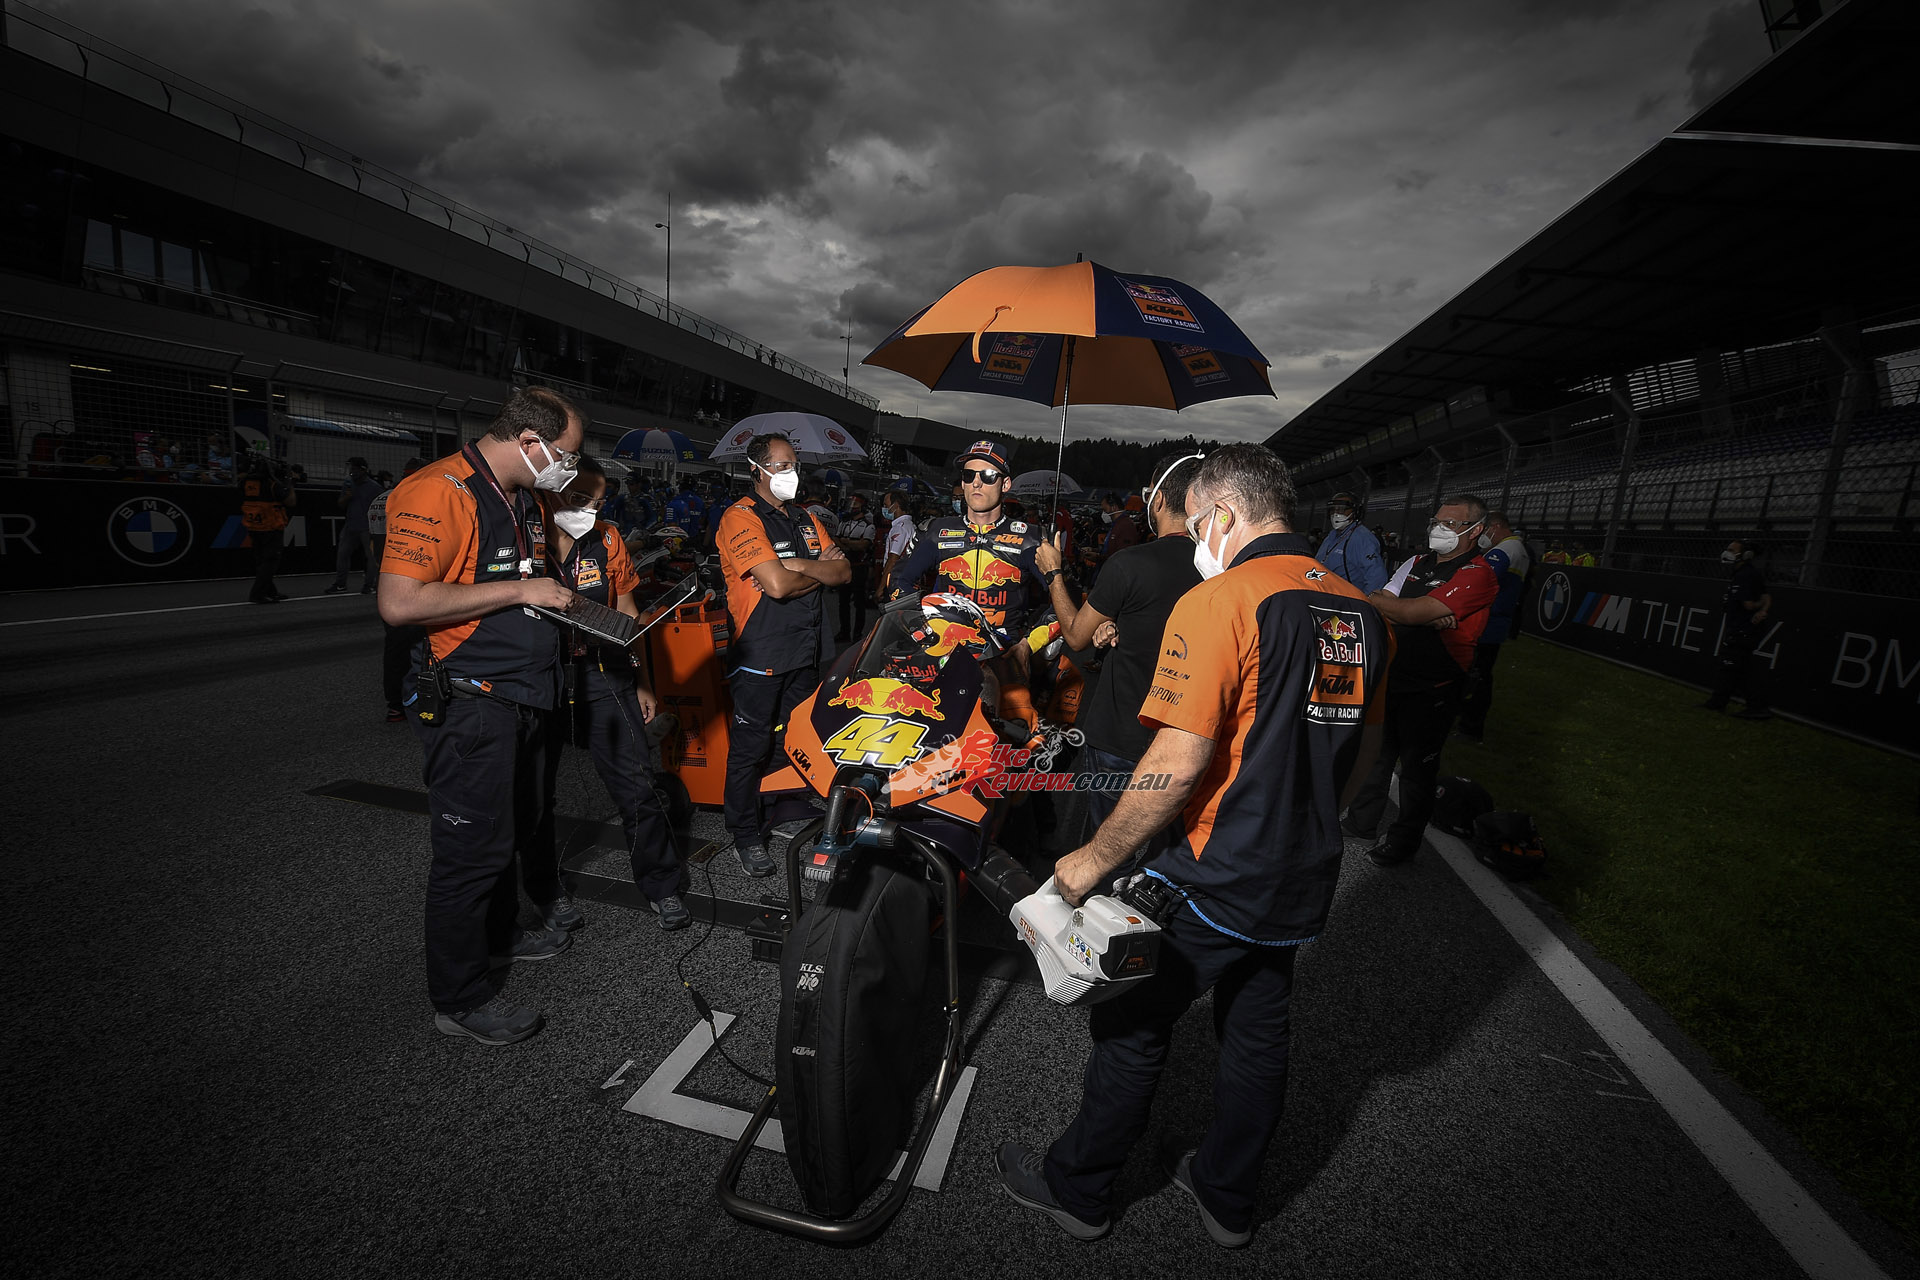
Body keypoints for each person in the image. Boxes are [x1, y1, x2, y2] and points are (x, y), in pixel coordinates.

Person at [995, 444, 1388, 1248]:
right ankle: (1227, 1195)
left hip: (1214, 868)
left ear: (1222, 514)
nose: (1198, 537)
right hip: (1303, 869)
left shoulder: (1224, 599)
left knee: (1132, 1023)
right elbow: (1363, 756)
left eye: (1200, 521)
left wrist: (1089, 861)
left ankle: (1080, 1188)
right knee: (1257, 1031)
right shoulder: (1359, 609)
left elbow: (1176, 761)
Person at [377, 386, 586, 1047]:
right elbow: (400, 603)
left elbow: (524, 577)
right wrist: (524, 588)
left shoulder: (523, 494)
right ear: (530, 442)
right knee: (470, 852)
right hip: (471, 698)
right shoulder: (437, 491)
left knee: (509, 832)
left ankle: (500, 937)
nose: (571, 468)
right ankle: (459, 997)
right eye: (567, 455)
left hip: (524, 693)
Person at [1036, 452, 1204, 849]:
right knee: (1164, 849)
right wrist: (1116, 625)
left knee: (1106, 848)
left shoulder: (1130, 563)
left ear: (1157, 499)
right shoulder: (1220, 570)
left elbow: (1075, 637)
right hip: (1186, 741)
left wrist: (1053, 573)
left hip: (1121, 737)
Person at [548, 457, 689, 928]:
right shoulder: (526, 537)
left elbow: (629, 616)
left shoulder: (608, 538)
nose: (591, 509)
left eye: (599, 500)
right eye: (580, 498)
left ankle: (662, 884)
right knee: (532, 795)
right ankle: (545, 891)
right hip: (539, 676)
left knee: (638, 786)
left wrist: (643, 681)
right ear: (552, 492)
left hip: (603, 674)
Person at [715, 433, 849, 876]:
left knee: (795, 737)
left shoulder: (805, 517)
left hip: (806, 649)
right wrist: (816, 573)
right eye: (782, 464)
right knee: (751, 748)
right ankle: (745, 833)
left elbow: (843, 571)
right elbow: (776, 586)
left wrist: (800, 568)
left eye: (794, 464)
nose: (792, 472)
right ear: (757, 470)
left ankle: (781, 804)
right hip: (761, 651)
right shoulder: (741, 517)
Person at [1344, 494, 1501, 867]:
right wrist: (1415, 613)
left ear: (1475, 531)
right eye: (1437, 521)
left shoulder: (1478, 573)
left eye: (1451, 524)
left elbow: (1410, 610)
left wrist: (1411, 612)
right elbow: (1377, 601)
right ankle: (1362, 823)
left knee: (1417, 770)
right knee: (1376, 756)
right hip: (1393, 674)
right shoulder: (1415, 562)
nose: (1439, 529)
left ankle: (1404, 841)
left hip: (1435, 686)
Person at [887, 442, 1047, 643]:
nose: (976, 483)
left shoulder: (1030, 538)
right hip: (944, 647)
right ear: (963, 483)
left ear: (1005, 484)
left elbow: (1067, 598)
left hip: (1004, 651)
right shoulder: (935, 531)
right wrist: (922, 625)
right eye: (969, 475)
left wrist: (1029, 644)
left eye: (988, 475)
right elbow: (898, 580)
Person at [1455, 510, 1529, 742]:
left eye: (1485, 530)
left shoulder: (1504, 550)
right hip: (1496, 622)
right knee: (1479, 674)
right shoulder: (1518, 549)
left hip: (1487, 623)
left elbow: (1478, 583)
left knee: (1476, 676)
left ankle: (1469, 727)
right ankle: (1467, 722)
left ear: (1495, 527)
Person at [370, 457, 427, 722]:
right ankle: (419, 700)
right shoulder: (420, 497)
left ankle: (396, 704)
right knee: (420, 645)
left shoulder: (381, 499)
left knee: (394, 647)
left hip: (386, 578)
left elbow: (374, 544)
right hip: (414, 579)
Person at [1703, 538, 1773, 720]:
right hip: (1739, 627)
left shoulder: (1745, 575)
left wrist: (1758, 608)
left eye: (1732, 550)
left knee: (1738, 668)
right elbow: (1766, 596)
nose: (1727, 553)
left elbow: (1749, 604)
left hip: (1743, 629)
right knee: (1730, 667)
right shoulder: (1744, 573)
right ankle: (1718, 702)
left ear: (1746, 555)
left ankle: (1756, 707)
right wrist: (1763, 609)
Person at [238, 456, 295, 604]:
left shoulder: (245, 482)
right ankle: (257, 594)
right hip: (271, 527)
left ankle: (270, 591)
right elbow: (290, 501)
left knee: (261, 560)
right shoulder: (272, 484)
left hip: (253, 526)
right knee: (270, 561)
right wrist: (289, 483)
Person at [327, 456, 383, 595]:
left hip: (368, 527)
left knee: (371, 557)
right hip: (350, 526)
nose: (352, 471)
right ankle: (340, 584)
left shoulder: (375, 487)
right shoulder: (348, 484)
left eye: (355, 468)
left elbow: (381, 508)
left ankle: (369, 585)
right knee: (342, 554)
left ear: (363, 470)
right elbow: (341, 504)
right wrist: (347, 496)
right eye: (351, 468)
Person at [1316, 491, 1387, 595]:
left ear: (1356, 512)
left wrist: (1364, 601)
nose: (1336, 513)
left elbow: (1376, 578)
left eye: (1341, 509)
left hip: (1344, 598)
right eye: (1333, 509)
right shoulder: (1331, 536)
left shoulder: (1363, 538)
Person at [833, 492, 875, 643]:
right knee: (843, 602)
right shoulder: (844, 523)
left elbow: (863, 545)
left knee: (859, 603)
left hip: (859, 568)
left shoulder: (869, 526)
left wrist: (846, 543)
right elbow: (835, 539)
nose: (851, 507)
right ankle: (844, 632)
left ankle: (857, 634)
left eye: (855, 504)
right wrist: (849, 544)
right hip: (845, 566)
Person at [874, 487, 914, 602]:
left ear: (896, 505)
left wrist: (881, 588)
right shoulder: (909, 525)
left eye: (886, 505)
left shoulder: (900, 528)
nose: (884, 508)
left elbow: (893, 559)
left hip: (895, 581)